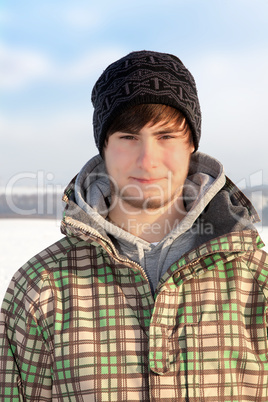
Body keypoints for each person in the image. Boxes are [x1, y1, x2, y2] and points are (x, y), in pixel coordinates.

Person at [1, 50, 268, 401]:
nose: (147, 159)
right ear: (104, 149)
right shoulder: (42, 287)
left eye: (166, 136)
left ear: (191, 146)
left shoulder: (257, 281)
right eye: (128, 137)